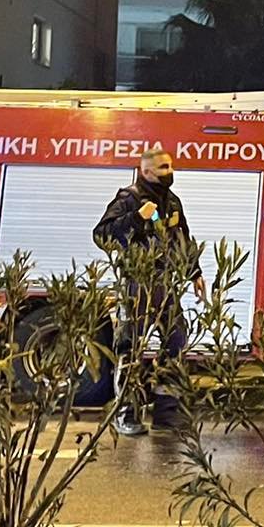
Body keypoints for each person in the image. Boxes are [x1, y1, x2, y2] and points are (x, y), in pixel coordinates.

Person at [88, 145, 203, 436]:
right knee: (131, 349)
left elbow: (182, 239)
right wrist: (137, 219)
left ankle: (166, 413)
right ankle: (126, 414)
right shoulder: (129, 199)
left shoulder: (172, 202)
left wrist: (195, 273)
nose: (170, 172)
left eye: (171, 167)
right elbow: (102, 235)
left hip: (166, 285)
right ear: (146, 171)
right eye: (164, 168)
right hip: (136, 284)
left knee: (175, 343)